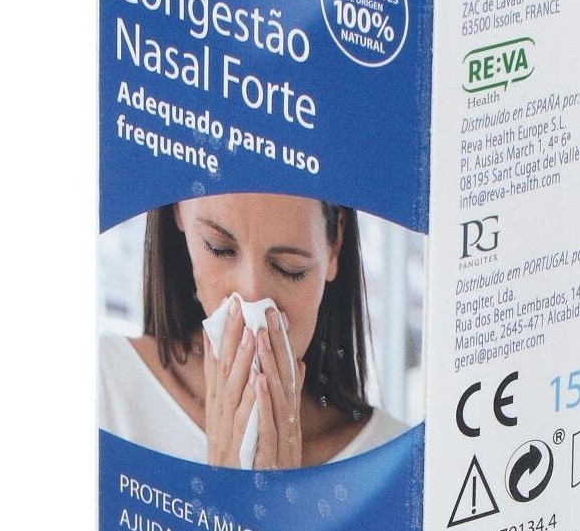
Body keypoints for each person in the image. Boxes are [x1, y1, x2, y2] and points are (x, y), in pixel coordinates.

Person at [99, 192, 406, 467]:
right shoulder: (103, 390)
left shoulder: (395, 461)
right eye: (218, 249)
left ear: (335, 245)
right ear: (178, 209)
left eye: (289, 268)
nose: (252, 301)